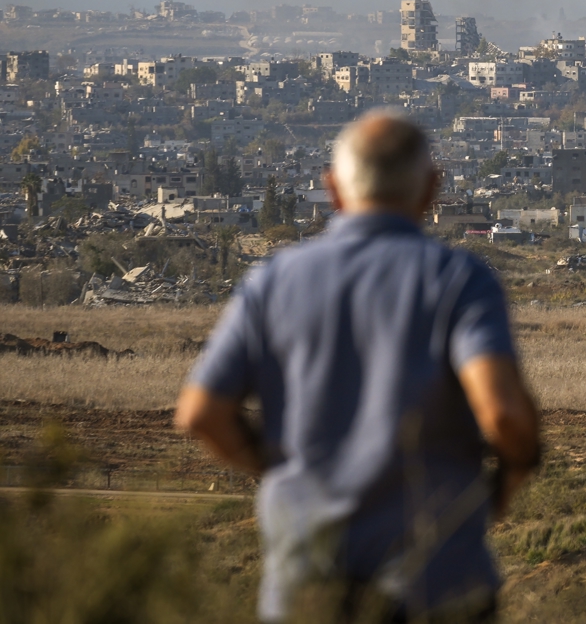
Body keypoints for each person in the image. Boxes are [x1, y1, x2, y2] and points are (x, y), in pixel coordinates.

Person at [176, 109, 540, 623]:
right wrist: (509, 479)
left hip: (309, 587)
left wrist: (278, 471)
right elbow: (502, 413)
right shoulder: (459, 281)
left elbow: (200, 412)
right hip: (437, 584)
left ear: (332, 188)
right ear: (431, 189)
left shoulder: (274, 282)